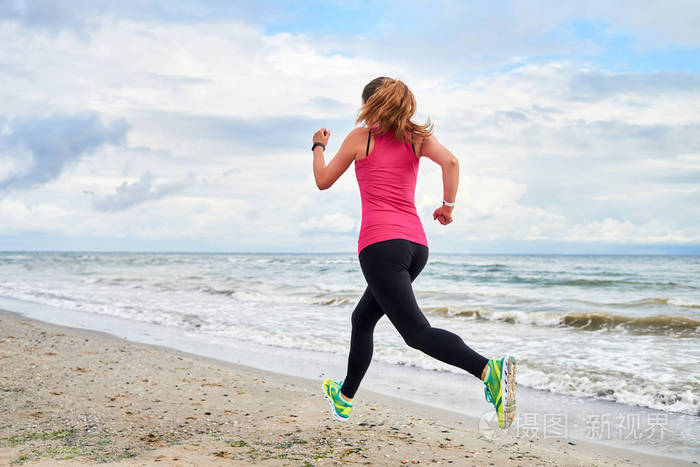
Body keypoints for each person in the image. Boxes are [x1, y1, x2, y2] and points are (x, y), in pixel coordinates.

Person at [312, 77, 517, 429]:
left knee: (416, 333)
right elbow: (451, 163)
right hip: (416, 247)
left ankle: (488, 370)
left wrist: (317, 146)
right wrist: (447, 207)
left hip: (379, 246)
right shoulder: (417, 137)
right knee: (362, 320)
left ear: (369, 105)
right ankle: (344, 398)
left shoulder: (363, 137)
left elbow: (323, 180)